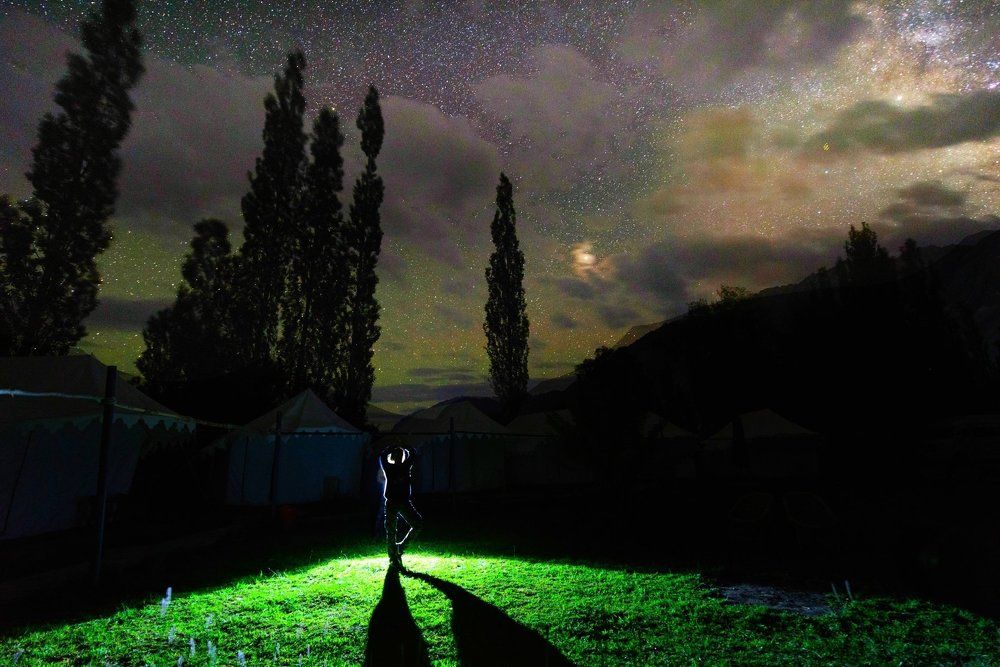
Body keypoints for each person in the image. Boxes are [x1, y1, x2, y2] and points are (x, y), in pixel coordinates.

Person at [379, 443, 423, 569]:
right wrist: (396, 446)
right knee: (391, 530)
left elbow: (413, 454)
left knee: (417, 524)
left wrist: (402, 446)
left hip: (403, 501)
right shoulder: (390, 467)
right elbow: (382, 456)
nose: (399, 457)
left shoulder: (405, 466)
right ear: (393, 456)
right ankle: (393, 557)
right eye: (397, 454)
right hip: (393, 501)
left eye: (400, 454)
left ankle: (399, 549)